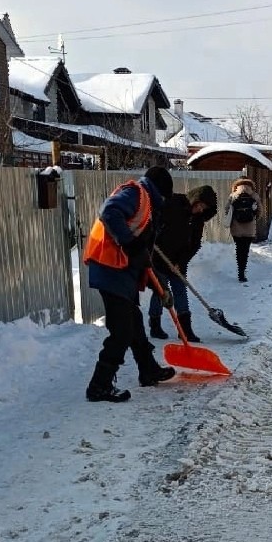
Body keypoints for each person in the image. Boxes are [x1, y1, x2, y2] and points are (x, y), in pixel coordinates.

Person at [82, 166, 177, 402]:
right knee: (122, 331)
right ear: (161, 192)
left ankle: (148, 370)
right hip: (110, 269)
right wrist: (130, 244)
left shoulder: (146, 206)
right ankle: (99, 386)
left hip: (122, 272)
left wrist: (160, 290)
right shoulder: (136, 194)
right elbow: (109, 211)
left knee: (135, 324)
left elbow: (142, 256)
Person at [148, 185, 219, 343]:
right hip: (159, 258)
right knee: (161, 291)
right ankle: (155, 325)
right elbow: (154, 217)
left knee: (180, 292)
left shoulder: (198, 220)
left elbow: (194, 245)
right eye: (200, 205)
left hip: (178, 262)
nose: (200, 210)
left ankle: (185, 330)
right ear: (195, 200)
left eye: (204, 208)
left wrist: (181, 262)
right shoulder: (174, 203)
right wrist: (151, 236)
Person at [224, 177, 262, 283]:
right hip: (249, 229)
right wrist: (253, 218)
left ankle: (240, 271)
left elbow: (227, 210)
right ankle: (242, 272)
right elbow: (260, 211)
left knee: (239, 249)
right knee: (245, 250)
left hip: (236, 228)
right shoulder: (254, 195)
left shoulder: (233, 195)